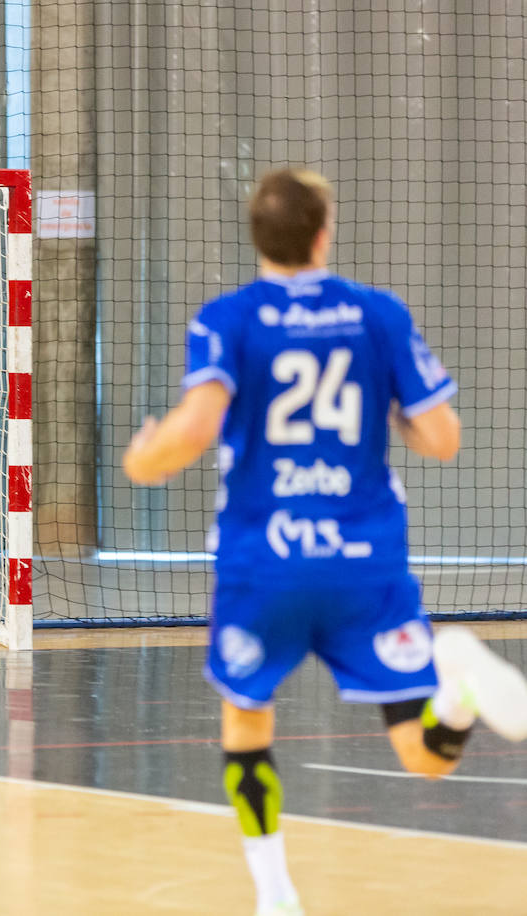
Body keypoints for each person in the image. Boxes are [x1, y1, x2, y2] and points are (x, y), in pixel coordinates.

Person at [121, 167, 527, 916]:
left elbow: (196, 429)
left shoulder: (226, 319)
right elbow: (443, 440)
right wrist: (397, 414)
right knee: (421, 753)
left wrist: (141, 457)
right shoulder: (379, 315)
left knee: (246, 715)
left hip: (265, 559)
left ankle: (275, 893)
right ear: (323, 231)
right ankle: (459, 689)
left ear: (256, 234)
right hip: (363, 561)